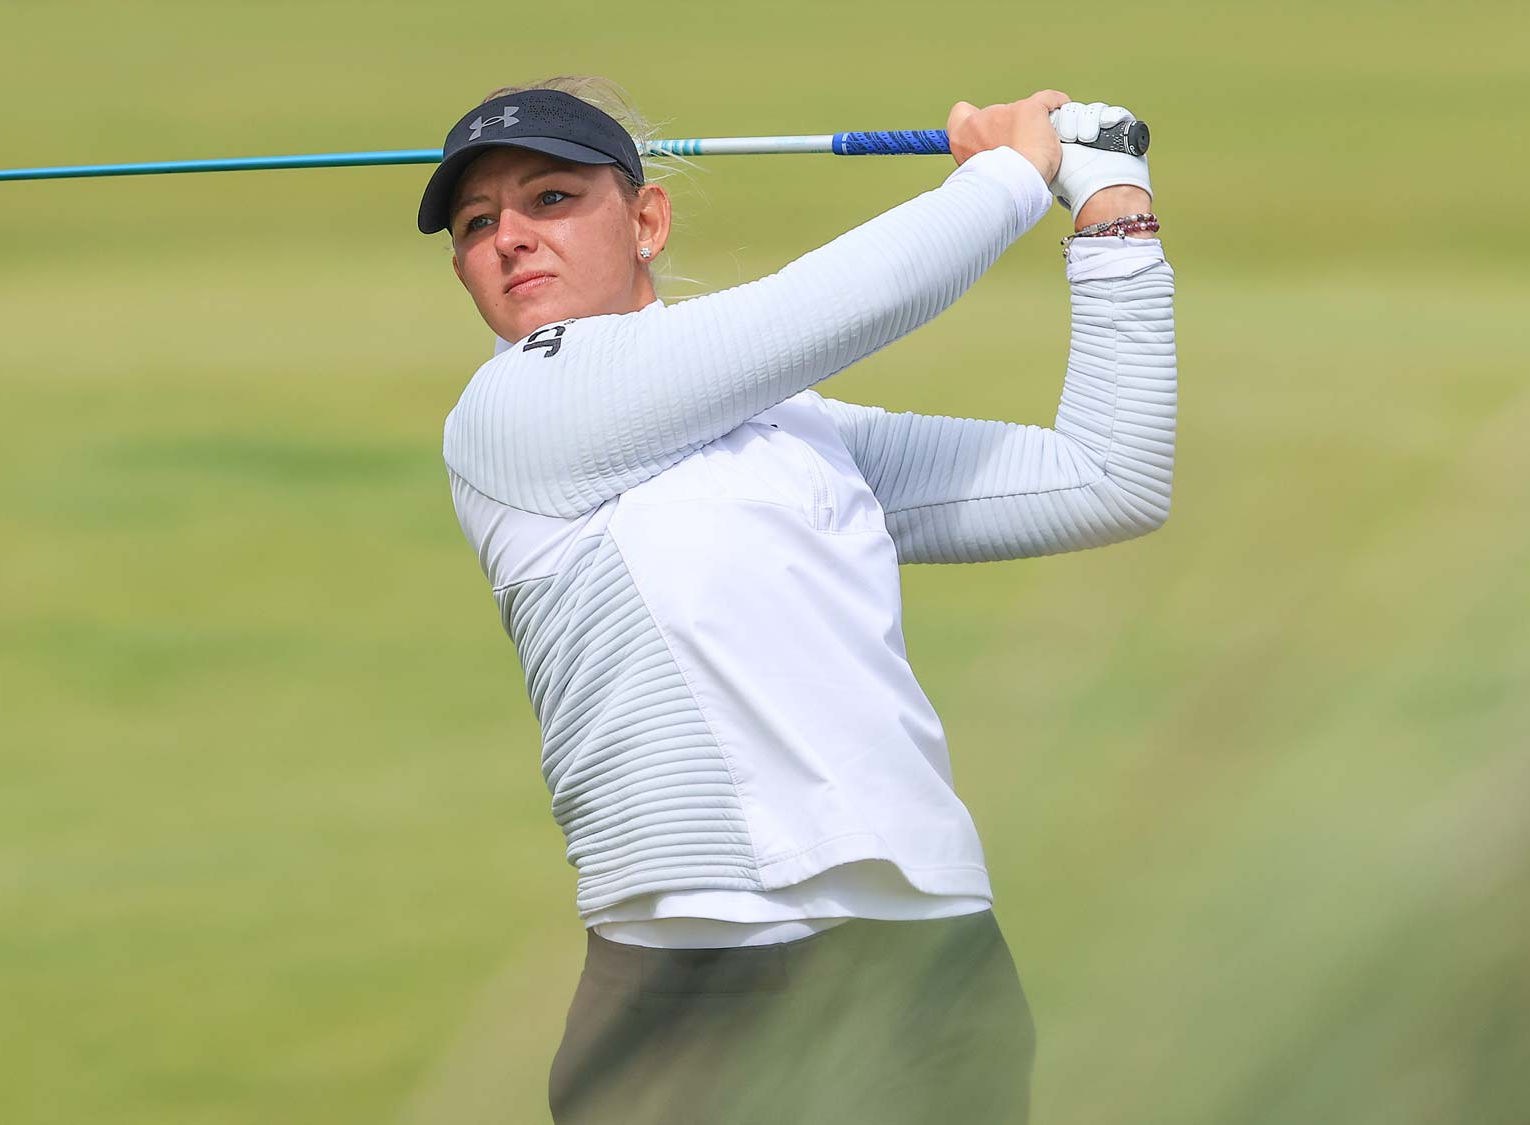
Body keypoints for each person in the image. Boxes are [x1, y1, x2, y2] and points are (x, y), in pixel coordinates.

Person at [422, 77, 1175, 1123]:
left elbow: (1106, 479)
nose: (508, 237)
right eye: (473, 225)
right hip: (691, 984)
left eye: (549, 199)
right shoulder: (514, 415)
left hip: (927, 968)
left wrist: (1111, 211)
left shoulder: (802, 434)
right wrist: (1013, 170)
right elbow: (828, 307)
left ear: (645, 220)